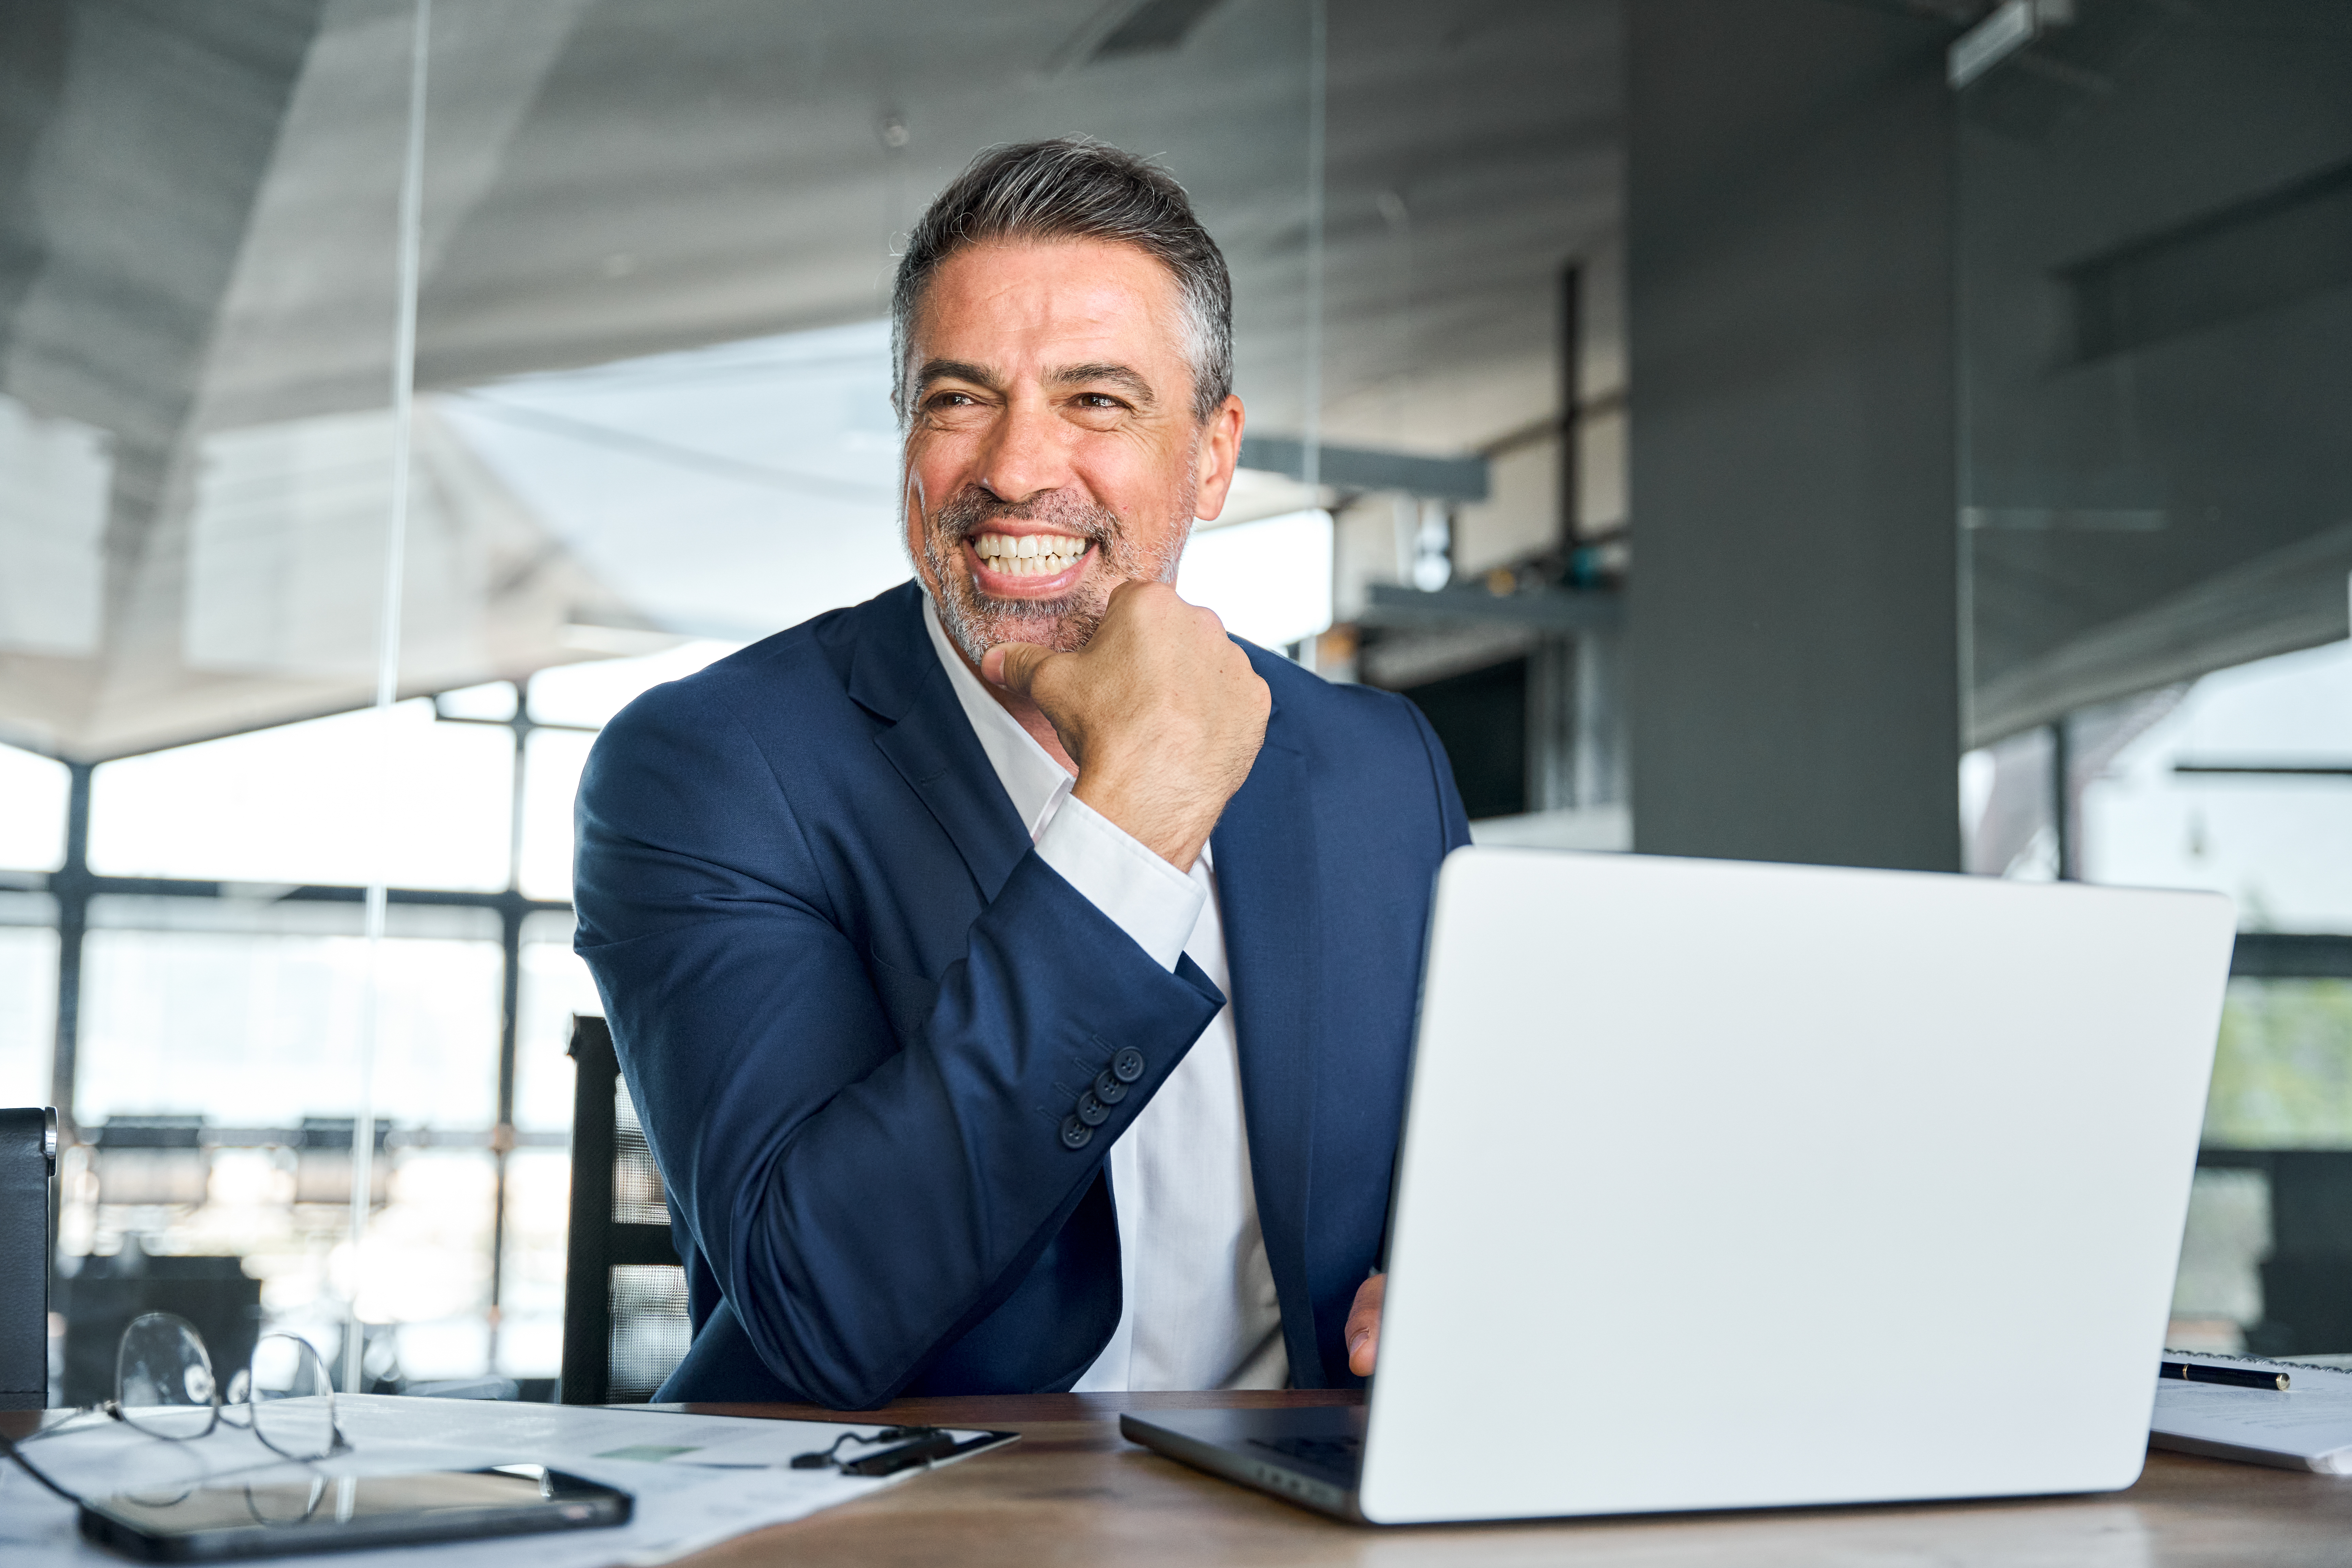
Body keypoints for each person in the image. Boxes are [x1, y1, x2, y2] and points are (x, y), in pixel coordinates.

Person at [573, 138, 1467, 1406]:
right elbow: (822, 1307)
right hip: (898, 1515)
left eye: (1096, 400)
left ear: (1211, 456)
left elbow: (1473, 1162)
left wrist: (1455, 1274)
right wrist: (1133, 821)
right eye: (957, 399)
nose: (1013, 468)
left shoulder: (1379, 769)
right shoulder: (708, 768)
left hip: (1299, 1500)